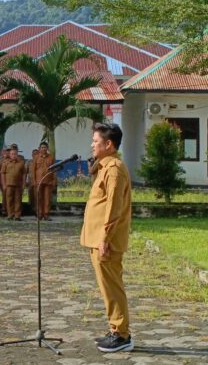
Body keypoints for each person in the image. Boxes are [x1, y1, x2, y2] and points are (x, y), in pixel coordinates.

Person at [81, 123, 133, 353]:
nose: (92, 145)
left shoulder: (114, 169)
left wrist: (105, 238)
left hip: (106, 240)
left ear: (108, 144)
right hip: (98, 238)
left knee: (112, 287)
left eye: (95, 141)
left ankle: (121, 335)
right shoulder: (104, 166)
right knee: (106, 288)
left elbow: (114, 207)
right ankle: (115, 328)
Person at [32, 142, 56, 220]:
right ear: (39, 148)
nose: (43, 149)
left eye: (45, 147)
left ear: (47, 148)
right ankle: (39, 214)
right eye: (42, 147)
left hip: (48, 181)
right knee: (39, 198)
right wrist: (34, 180)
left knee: (47, 199)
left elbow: (54, 170)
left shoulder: (51, 157)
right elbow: (33, 170)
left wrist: (54, 180)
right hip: (38, 181)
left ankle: (46, 214)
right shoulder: (36, 157)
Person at [1, 143, 26, 221]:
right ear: (10, 154)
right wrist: (4, 184)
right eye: (12, 154)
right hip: (9, 184)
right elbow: (2, 174)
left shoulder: (21, 163)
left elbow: (24, 174)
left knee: (18, 200)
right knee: (9, 200)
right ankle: (10, 214)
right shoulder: (5, 163)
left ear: (17, 154)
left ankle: (17, 215)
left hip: (18, 184)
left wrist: (24, 183)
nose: (13, 155)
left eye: (15, 154)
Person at [0, 147, 10, 217]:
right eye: (6, 151)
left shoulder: (12, 159)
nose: (7, 153)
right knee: (4, 196)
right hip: (3, 181)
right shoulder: (1, 160)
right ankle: (4, 210)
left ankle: (10, 210)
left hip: (10, 181)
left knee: (10, 196)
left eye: (8, 151)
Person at [26, 149, 39, 215]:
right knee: (31, 196)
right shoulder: (29, 162)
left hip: (38, 182)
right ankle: (31, 209)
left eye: (36, 154)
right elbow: (25, 172)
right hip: (30, 182)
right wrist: (25, 181)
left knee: (37, 196)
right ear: (32, 155)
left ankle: (37, 210)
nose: (35, 155)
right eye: (34, 154)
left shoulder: (40, 161)